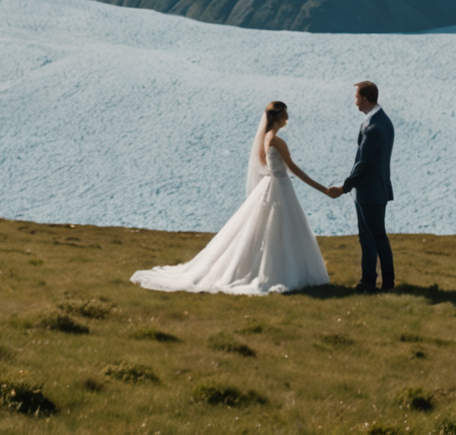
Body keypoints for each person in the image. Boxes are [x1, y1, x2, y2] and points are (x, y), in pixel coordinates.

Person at [131, 101, 331, 295]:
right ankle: (281, 272)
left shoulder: (265, 137)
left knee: (270, 230)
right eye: (285, 113)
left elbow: (266, 164)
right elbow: (293, 168)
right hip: (280, 187)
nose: (288, 117)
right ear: (279, 117)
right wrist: (323, 189)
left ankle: (271, 269)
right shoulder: (277, 140)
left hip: (271, 185)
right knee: (282, 230)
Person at [325, 80, 394, 292]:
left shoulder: (373, 127)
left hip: (369, 191)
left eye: (357, 97)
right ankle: (380, 282)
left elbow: (363, 163)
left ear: (364, 98)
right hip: (377, 189)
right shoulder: (383, 120)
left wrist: (344, 187)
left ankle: (371, 282)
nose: (355, 101)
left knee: (371, 236)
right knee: (376, 236)